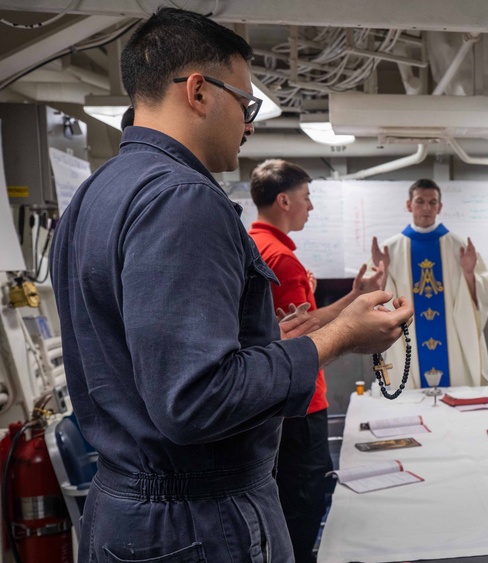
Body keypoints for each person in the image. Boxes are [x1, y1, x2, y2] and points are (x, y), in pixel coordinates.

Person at [49, 8, 413, 562]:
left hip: (129, 513)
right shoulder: (181, 198)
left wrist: (268, 342)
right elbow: (194, 399)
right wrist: (337, 338)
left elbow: (147, 362)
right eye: (246, 104)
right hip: (196, 521)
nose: (249, 125)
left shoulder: (93, 196)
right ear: (198, 91)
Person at [248, 159, 386, 561]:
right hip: (302, 404)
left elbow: (301, 320)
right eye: (307, 198)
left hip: (271, 405)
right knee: (305, 505)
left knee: (285, 507)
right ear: (284, 200)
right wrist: (357, 322)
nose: (311, 207)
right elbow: (306, 336)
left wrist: (352, 297)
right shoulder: (283, 260)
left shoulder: (255, 247)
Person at [369, 178, 488, 389]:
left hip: (452, 343)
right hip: (408, 340)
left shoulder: (459, 247)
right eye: (420, 201)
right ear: (409, 205)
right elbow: (374, 302)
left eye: (432, 202)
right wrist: (383, 276)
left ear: (440, 207)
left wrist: (468, 274)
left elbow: (478, 302)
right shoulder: (389, 249)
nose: (426, 208)